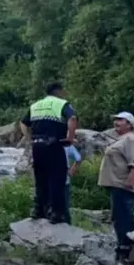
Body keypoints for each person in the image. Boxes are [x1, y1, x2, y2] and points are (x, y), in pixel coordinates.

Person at [20, 82, 77, 224]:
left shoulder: (35, 105)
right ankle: (56, 213)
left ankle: (39, 210)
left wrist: (29, 140)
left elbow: (23, 123)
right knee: (57, 179)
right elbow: (72, 118)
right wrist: (70, 137)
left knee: (41, 179)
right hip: (54, 144)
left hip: (37, 147)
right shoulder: (62, 104)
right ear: (59, 91)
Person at [98, 111, 134, 264]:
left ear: (129, 124)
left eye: (120, 120)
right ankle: (125, 250)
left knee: (123, 217)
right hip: (117, 183)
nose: (116, 122)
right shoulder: (122, 139)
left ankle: (126, 251)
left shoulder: (130, 139)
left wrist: (130, 179)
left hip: (123, 184)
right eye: (115, 120)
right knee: (119, 217)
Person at [63, 144, 82, 224]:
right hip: (49, 180)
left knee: (64, 208)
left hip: (64, 180)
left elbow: (78, 157)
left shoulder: (66, 145)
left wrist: (73, 169)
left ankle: (68, 227)